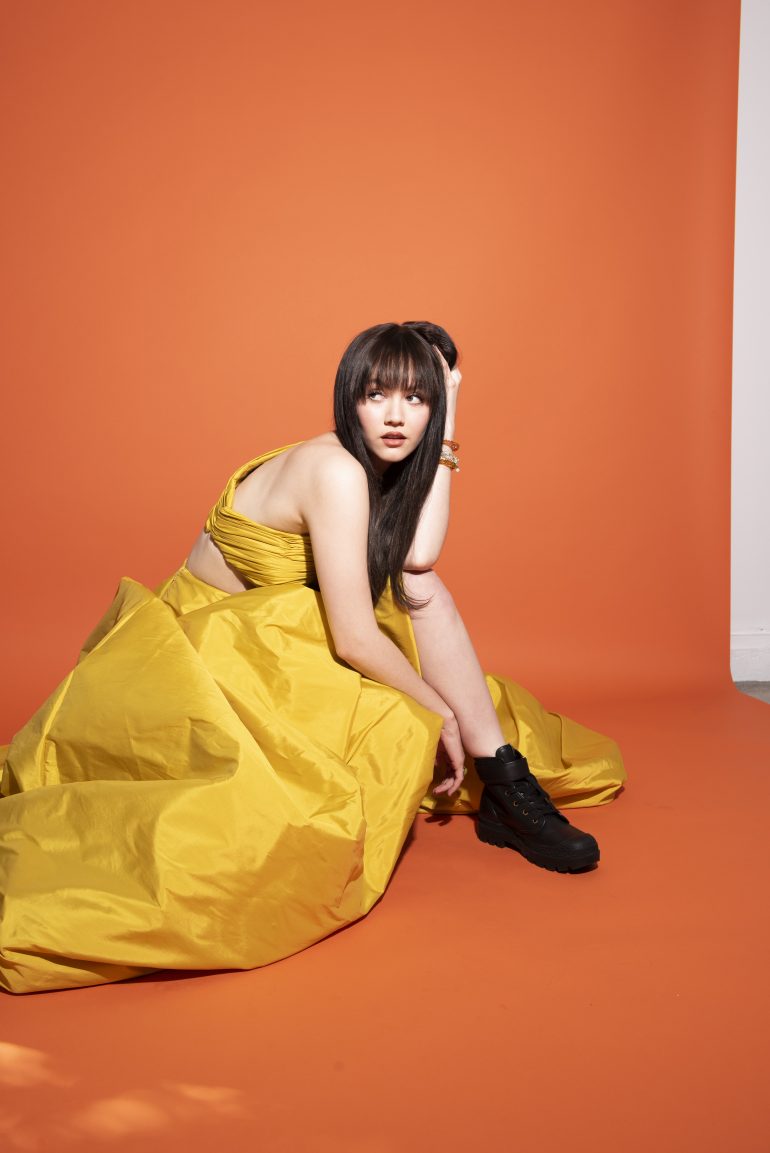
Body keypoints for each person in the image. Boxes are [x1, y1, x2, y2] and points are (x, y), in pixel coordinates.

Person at [0, 321, 625, 995]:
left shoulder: (371, 465)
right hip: (206, 650)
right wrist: (437, 708)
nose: (395, 415)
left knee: (419, 592)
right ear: (348, 396)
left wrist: (448, 427)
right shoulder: (335, 470)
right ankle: (498, 772)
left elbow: (419, 556)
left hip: (275, 631)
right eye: (377, 394)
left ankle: (503, 779)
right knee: (292, 812)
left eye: (416, 398)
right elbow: (353, 637)